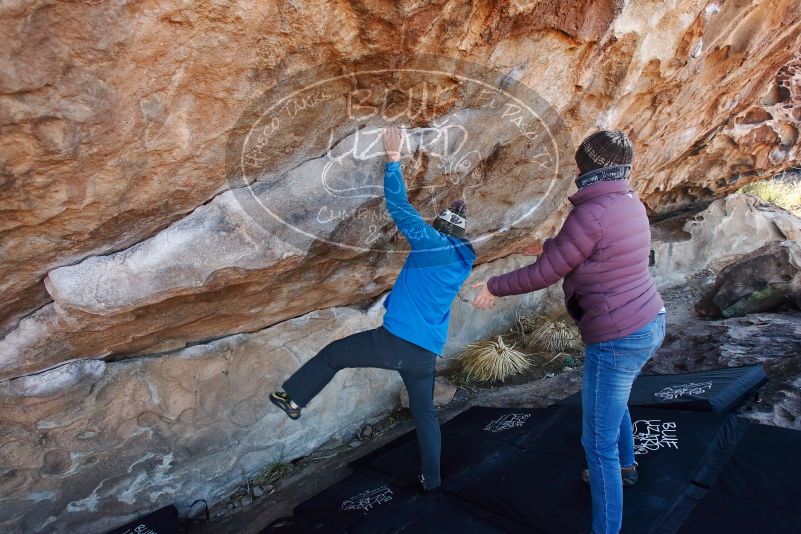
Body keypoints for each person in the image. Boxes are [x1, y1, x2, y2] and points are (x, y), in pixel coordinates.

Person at [472, 130, 666, 534]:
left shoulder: (589, 213)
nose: (576, 169)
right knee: (616, 398)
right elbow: (592, 249)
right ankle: (628, 467)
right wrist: (550, 244)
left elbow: (548, 273)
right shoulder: (628, 200)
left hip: (618, 337)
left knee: (597, 445)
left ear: (587, 166)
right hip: (650, 318)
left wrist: (494, 286)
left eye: (579, 163)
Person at [270, 126, 476, 492]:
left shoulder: (430, 242)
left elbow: (400, 208)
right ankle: (433, 479)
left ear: (438, 229)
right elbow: (454, 236)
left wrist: (393, 161)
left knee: (333, 355)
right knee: (425, 415)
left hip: (395, 343)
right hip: (424, 355)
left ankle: (291, 396)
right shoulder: (463, 259)